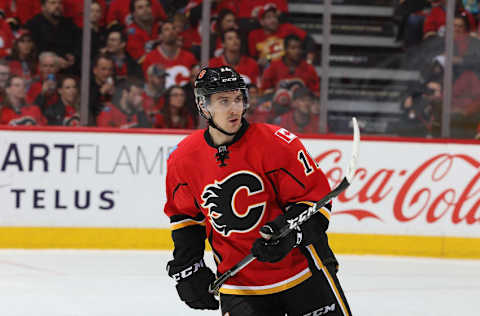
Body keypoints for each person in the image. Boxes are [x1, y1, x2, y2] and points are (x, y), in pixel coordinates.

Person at [164, 66, 352, 316]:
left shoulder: (277, 144)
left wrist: (290, 234)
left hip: (305, 273)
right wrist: (189, 268)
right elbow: (185, 217)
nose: (235, 109)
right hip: (240, 287)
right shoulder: (183, 159)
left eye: (238, 99)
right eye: (223, 101)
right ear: (203, 106)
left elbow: (315, 203)